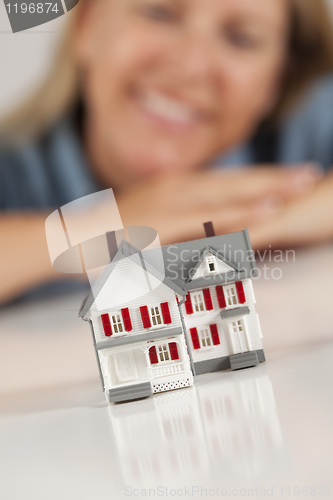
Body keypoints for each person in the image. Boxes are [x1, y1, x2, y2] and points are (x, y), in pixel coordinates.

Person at [1, 0, 333, 304]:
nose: (191, 65)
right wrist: (103, 232)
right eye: (159, 12)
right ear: (87, 25)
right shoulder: (12, 168)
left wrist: (245, 228)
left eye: (241, 38)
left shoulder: (303, 128)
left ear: (276, 83)